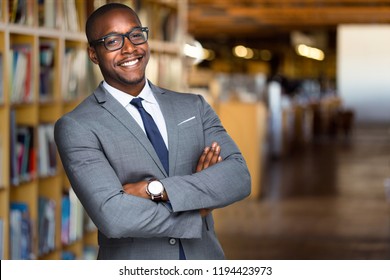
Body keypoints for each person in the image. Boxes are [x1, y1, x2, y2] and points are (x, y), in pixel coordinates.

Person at [54, 2, 251, 260]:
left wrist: (155, 189)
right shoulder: (77, 126)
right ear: (93, 54)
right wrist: (199, 207)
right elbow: (114, 217)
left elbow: (238, 176)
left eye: (136, 35)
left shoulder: (194, 107)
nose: (129, 48)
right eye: (112, 41)